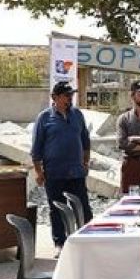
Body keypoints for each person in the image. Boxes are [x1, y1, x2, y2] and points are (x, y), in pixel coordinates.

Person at [30, 81, 92, 253]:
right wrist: (38, 172)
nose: (69, 99)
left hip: (76, 172)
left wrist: (86, 162)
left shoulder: (77, 115)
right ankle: (60, 243)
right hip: (54, 173)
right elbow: (36, 147)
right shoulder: (44, 118)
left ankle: (87, 240)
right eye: (66, 96)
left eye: (71, 95)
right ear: (54, 97)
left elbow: (85, 141)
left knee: (83, 207)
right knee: (57, 209)